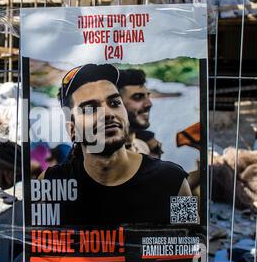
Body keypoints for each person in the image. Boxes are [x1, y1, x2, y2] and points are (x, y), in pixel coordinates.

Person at [39, 63, 192, 226]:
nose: (108, 114)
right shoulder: (49, 184)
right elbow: (36, 245)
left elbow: (191, 243)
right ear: (72, 129)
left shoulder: (174, 181)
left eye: (114, 103)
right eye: (90, 108)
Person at [117, 69, 163, 158]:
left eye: (148, 96)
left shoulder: (143, 147)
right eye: (138, 97)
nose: (149, 104)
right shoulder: (100, 154)